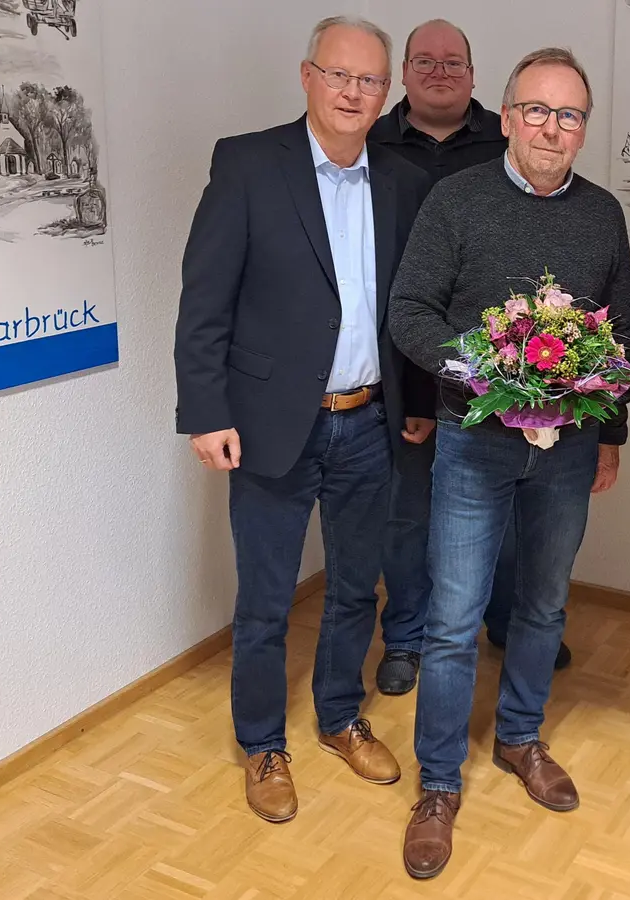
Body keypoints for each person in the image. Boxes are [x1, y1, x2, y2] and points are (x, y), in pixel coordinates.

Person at [171, 16, 433, 825]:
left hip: (368, 424)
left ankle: (338, 717)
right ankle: (261, 744)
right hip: (271, 425)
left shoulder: (401, 180)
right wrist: (206, 411)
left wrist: (417, 404)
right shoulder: (248, 164)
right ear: (308, 76)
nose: (355, 93)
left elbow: (412, 310)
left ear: (387, 92)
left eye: (371, 81)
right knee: (265, 599)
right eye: (340, 75)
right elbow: (204, 300)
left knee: (356, 587)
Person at [388, 47, 630, 880]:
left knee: (542, 605)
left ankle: (522, 740)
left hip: (565, 454)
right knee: (454, 620)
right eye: (536, 110)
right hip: (472, 444)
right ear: (506, 114)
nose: (551, 128)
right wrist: (482, 372)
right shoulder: (455, 201)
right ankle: (437, 784)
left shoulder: (603, 213)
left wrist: (609, 434)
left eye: (568, 116)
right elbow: (410, 310)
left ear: (583, 129)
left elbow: (623, 332)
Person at [367, 19, 569, 697]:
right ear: (404, 74)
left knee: (504, 511)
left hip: (503, 386)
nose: (440, 71)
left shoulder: (509, 144)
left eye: (454, 61)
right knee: (407, 513)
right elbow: (401, 296)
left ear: (478, 79)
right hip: (399, 363)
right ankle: (405, 637)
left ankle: (510, 624)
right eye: (424, 61)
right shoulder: (370, 143)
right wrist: (416, 394)